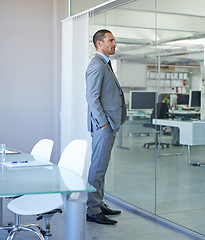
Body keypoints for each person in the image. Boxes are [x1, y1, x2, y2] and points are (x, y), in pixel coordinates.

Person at [85, 29, 127, 225]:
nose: (114, 43)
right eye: (111, 40)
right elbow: (92, 98)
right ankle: (92, 209)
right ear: (99, 43)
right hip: (104, 125)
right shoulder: (97, 65)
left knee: (101, 166)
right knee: (98, 167)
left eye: (114, 40)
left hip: (108, 124)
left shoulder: (105, 64)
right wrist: (103, 123)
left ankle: (98, 202)